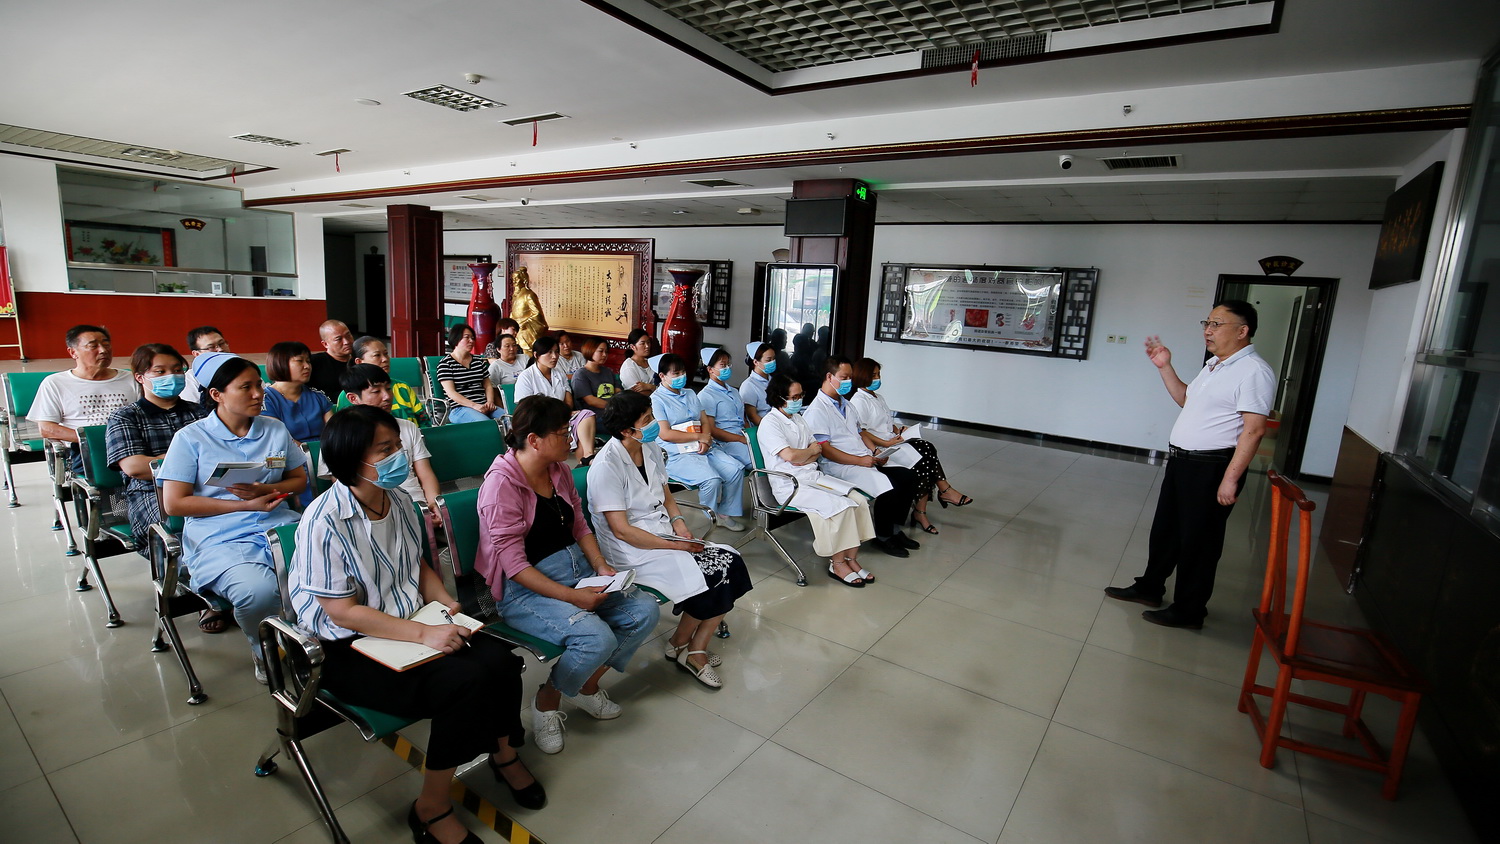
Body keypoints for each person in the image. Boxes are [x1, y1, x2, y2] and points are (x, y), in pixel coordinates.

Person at [290, 405, 545, 839]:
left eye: (398, 447)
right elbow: (342, 611)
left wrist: (449, 607)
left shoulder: (400, 500)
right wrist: (426, 633)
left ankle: (504, 754)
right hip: (347, 645)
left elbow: (419, 566)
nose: (400, 458)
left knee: (500, 659)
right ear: (353, 460)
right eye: (385, 450)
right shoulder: (323, 520)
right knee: (461, 683)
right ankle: (431, 805)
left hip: (410, 621)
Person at [476, 396, 660, 754]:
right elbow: (515, 566)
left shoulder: (557, 469)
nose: (571, 441)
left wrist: (602, 567)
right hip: (525, 592)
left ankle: (585, 687)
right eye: (563, 434)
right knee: (596, 638)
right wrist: (574, 597)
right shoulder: (501, 488)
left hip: (578, 571)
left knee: (644, 612)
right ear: (534, 440)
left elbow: (579, 525)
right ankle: (547, 701)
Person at [1105, 300, 1275, 630]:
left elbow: (1254, 430)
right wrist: (1164, 367)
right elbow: (1187, 399)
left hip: (1211, 468)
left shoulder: (1254, 371)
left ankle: (1189, 610)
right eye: (1206, 323)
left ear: (1243, 331)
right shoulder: (1215, 365)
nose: (1208, 331)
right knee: (1166, 530)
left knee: (1199, 542)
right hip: (1183, 462)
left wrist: (1230, 479)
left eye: (1217, 324)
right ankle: (1150, 587)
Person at [587, 392, 752, 689]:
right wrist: (677, 546)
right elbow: (622, 530)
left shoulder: (648, 446)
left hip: (661, 534)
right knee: (711, 572)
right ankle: (691, 651)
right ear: (626, 430)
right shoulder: (606, 466)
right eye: (647, 420)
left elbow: (665, 493)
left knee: (731, 560)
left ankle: (686, 645)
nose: (653, 425)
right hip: (631, 550)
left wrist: (679, 524)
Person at [159, 353, 307, 681]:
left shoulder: (274, 430)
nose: (259, 394)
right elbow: (175, 504)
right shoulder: (191, 439)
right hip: (218, 534)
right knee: (258, 592)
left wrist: (264, 490)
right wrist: (244, 505)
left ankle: (312, 636)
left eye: (259, 385)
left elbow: (299, 480)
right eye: (246, 387)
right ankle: (265, 648)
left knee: (326, 567)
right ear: (217, 395)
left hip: (276, 520)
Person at [759, 374, 878, 586]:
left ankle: (851, 559)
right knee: (841, 507)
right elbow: (789, 457)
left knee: (858, 500)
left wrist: (804, 454)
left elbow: (817, 450)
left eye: (801, 395)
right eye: (794, 396)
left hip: (811, 475)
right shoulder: (770, 424)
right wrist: (804, 454)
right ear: (779, 398)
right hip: (790, 485)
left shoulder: (798, 418)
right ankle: (837, 563)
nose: (799, 400)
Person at [804, 356, 920, 558]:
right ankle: (883, 537)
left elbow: (861, 433)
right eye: (844, 377)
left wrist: (875, 452)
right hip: (839, 465)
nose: (849, 381)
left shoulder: (846, 404)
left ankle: (894, 529)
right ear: (829, 376)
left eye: (850, 377)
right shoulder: (817, 410)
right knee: (887, 487)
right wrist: (860, 461)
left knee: (908, 478)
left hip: (864, 458)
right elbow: (826, 450)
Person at [104, 344, 210, 559]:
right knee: (186, 536)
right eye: (160, 372)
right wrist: (191, 460)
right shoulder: (125, 417)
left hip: (203, 486)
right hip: (151, 493)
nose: (171, 376)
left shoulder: (199, 412)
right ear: (141, 377)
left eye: (177, 370)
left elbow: (220, 454)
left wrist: (164, 460)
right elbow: (136, 468)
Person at [849, 358, 972, 535]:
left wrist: (899, 430)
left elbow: (886, 422)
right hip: (882, 447)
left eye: (878, 374)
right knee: (924, 454)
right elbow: (863, 432)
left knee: (927, 450)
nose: (877, 378)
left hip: (893, 440)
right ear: (863, 376)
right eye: (873, 375)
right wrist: (886, 443)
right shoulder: (859, 401)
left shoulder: (878, 397)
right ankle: (938, 496)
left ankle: (927, 506)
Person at [326, 364, 442, 519]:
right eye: (376, 391)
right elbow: (343, 484)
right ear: (353, 398)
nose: (387, 396)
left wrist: (433, 505)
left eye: (388, 388)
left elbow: (425, 474)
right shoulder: (343, 434)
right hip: (373, 512)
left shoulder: (407, 427)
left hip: (416, 505)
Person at [651, 353, 745, 532]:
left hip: (703, 447)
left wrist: (707, 440)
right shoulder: (657, 400)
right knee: (712, 480)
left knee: (735, 469)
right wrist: (698, 437)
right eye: (676, 374)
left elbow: (704, 421)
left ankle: (725, 513)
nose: (682, 377)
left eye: (683, 372)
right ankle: (711, 515)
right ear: (662, 376)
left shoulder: (690, 393)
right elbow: (665, 434)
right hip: (677, 453)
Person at [31, 324, 137, 474]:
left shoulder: (131, 379)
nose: (103, 350)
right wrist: (95, 441)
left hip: (131, 445)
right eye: (93, 346)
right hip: (86, 450)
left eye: (106, 344)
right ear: (73, 352)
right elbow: (47, 429)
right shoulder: (55, 383)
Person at [513, 336, 597, 463]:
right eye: (549, 352)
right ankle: (585, 461)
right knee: (575, 432)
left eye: (556, 352)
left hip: (562, 416)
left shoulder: (558, 373)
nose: (555, 356)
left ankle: (587, 457)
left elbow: (567, 398)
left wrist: (566, 412)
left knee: (587, 415)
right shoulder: (526, 377)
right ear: (536, 355)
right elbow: (527, 408)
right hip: (539, 421)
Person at [334, 335, 430, 425]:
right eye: (377, 355)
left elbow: (423, 420)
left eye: (386, 354)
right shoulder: (350, 394)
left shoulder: (403, 387)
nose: (385, 359)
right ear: (359, 362)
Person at [261, 341, 333, 443]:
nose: (307, 366)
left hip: (325, 452)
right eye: (300, 361)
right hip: (289, 454)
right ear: (280, 362)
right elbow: (279, 438)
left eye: (308, 361)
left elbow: (334, 431)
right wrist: (309, 452)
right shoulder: (266, 400)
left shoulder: (318, 396)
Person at [438, 324, 507, 424]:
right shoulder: (446, 364)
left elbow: (487, 385)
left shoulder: (478, 361)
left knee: (510, 420)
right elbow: (451, 393)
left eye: (473, 338)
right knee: (486, 424)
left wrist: (490, 402)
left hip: (484, 406)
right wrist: (474, 406)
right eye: (467, 337)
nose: (471, 341)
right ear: (456, 339)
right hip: (460, 409)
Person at [697, 347, 753, 470]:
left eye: (728, 364)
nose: (727, 368)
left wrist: (751, 436)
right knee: (757, 462)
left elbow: (743, 418)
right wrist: (740, 439)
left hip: (744, 438)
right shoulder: (706, 395)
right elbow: (711, 429)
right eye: (723, 365)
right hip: (726, 442)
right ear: (710, 369)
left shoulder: (733, 391)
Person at [570, 336, 622, 413]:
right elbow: (591, 401)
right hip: (594, 415)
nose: (604, 355)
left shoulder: (608, 372)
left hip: (613, 412)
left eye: (606, 352)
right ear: (590, 351)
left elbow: (618, 390)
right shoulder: (581, 375)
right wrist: (613, 407)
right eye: (601, 351)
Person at [181, 326, 229, 402]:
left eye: (222, 343)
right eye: (211, 347)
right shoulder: (191, 379)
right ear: (197, 354)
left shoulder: (244, 369)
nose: (220, 349)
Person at [308, 319, 355, 398]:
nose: (346, 342)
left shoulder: (360, 360)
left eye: (348, 335)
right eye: (338, 339)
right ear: (325, 344)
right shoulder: (313, 363)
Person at [510, 267, 548, 355]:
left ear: (523, 280)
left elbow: (537, 313)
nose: (514, 281)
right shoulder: (516, 296)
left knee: (528, 356)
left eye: (517, 278)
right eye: (513, 279)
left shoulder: (529, 295)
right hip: (515, 330)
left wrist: (525, 323)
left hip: (525, 330)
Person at [739, 341, 777, 427]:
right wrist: (769, 429)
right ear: (756, 362)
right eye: (768, 360)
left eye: (774, 359)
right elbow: (752, 416)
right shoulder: (748, 385)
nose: (773, 362)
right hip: (764, 427)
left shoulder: (773, 380)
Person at [618, 328, 657, 394]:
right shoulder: (629, 367)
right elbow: (639, 394)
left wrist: (651, 387)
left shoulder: (651, 362)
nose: (647, 346)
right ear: (633, 347)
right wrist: (656, 389)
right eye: (643, 343)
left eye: (648, 342)